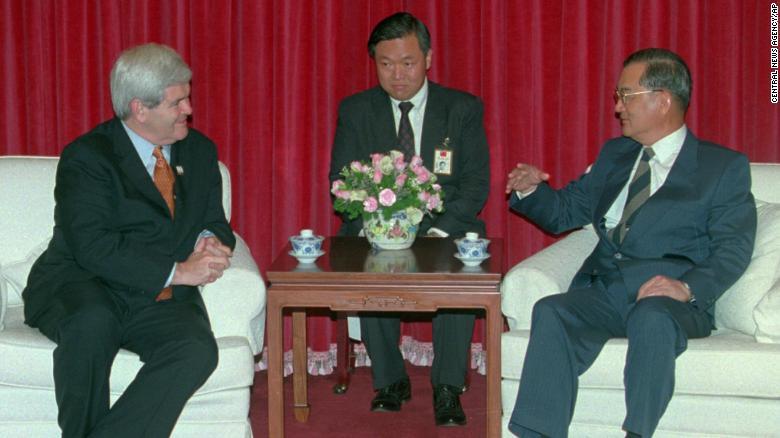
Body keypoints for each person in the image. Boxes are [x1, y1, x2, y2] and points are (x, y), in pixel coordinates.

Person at [505, 48, 756, 437]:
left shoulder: (721, 167)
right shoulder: (615, 155)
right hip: (606, 290)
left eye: (626, 95)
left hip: (669, 299)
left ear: (663, 100)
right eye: (617, 96)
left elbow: (734, 248)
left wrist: (686, 287)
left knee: (651, 316)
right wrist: (531, 191)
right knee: (552, 310)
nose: (618, 106)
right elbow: (565, 212)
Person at [22, 43, 235, 438]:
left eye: (188, 97)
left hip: (157, 297)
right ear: (140, 109)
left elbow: (214, 219)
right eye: (178, 102)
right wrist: (179, 271)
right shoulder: (88, 157)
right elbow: (91, 246)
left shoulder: (200, 151)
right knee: (92, 324)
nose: (189, 109)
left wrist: (209, 241)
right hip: (82, 282)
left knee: (196, 349)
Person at [328, 12, 490, 427]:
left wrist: (434, 231)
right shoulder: (356, 109)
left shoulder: (462, 108)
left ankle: (448, 386)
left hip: (445, 226)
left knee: (461, 265)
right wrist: (382, 227)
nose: (397, 75)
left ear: (429, 58)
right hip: (378, 226)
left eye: (407, 62)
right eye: (385, 64)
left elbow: (475, 185)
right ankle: (390, 381)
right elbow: (341, 182)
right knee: (369, 260)